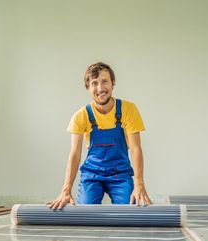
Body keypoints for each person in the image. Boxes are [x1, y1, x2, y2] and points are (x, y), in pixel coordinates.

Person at [49, 62, 151, 209]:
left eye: (105, 82)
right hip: (92, 175)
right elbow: (75, 154)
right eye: (94, 83)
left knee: (130, 210)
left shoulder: (128, 110)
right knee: (86, 214)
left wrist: (139, 184)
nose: (100, 88)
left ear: (113, 83)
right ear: (88, 87)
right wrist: (66, 190)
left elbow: (136, 149)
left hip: (120, 174)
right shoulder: (81, 116)